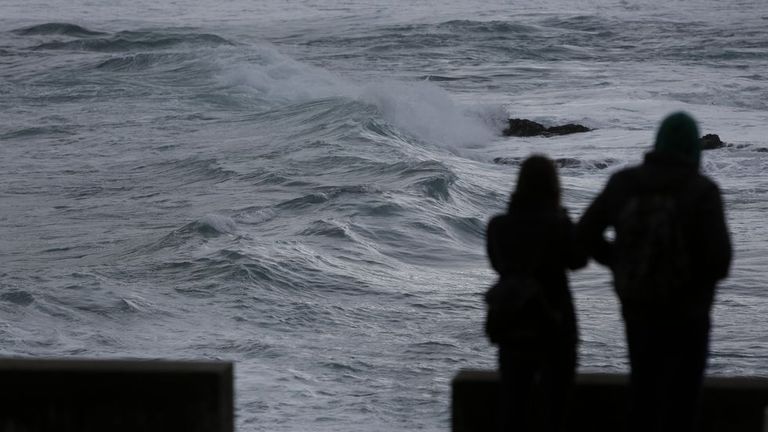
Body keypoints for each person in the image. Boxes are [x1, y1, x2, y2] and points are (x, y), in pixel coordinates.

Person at [577, 112, 732, 432]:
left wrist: (619, 261)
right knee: (684, 400)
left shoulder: (624, 183)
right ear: (693, 148)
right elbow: (720, 261)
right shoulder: (702, 191)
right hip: (690, 312)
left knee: (644, 390)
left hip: (639, 305)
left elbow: (584, 235)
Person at [486, 154, 586, 432]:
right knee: (556, 411)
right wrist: (565, 220)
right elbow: (578, 260)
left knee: (513, 407)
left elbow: (497, 263)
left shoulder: (499, 227)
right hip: (556, 324)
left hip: (513, 322)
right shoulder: (558, 225)